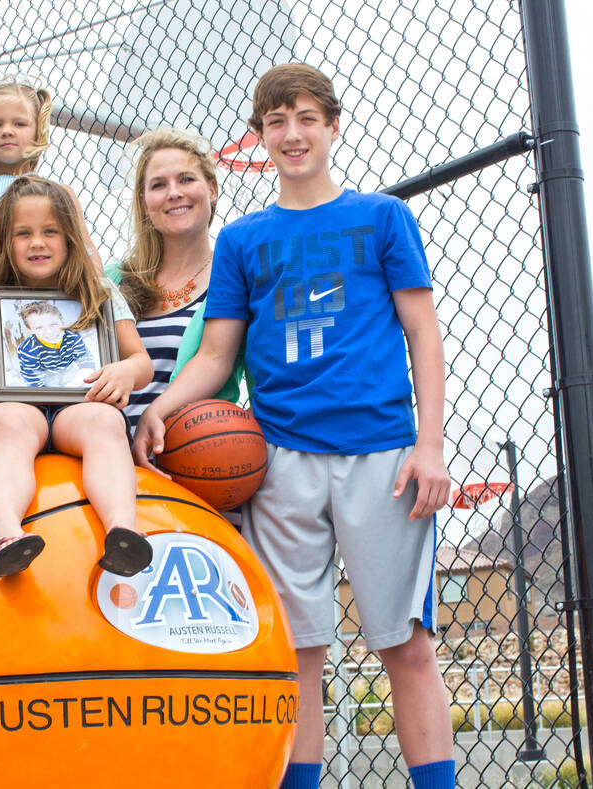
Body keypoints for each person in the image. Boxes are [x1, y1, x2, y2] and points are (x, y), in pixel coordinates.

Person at [132, 64, 455, 789]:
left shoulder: (381, 217)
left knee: (404, 644)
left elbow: (423, 333)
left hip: (383, 452)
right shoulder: (245, 240)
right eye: (276, 121)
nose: (292, 133)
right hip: (279, 458)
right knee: (298, 648)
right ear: (261, 136)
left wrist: (430, 443)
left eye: (307, 117)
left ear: (332, 126)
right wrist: (160, 407)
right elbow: (216, 352)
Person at [0, 176, 153, 578]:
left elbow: (140, 360)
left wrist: (126, 371)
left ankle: (123, 531)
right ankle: (6, 533)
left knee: (106, 421)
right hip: (15, 408)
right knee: (10, 424)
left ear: (70, 237)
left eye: (49, 232)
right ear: (5, 241)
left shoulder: (100, 291)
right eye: (23, 233)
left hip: (77, 407)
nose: (36, 242)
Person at [106, 128, 248, 433]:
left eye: (186, 179)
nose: (174, 193)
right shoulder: (113, 279)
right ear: (144, 203)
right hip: (104, 455)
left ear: (211, 190)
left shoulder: (234, 278)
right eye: (159, 185)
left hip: (189, 456)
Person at [0, 77, 102, 326]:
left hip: (45, 304)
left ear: (38, 130)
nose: (7, 130)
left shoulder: (57, 193)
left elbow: (87, 251)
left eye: (19, 123)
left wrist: (99, 290)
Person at [15, 300, 96, 387]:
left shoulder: (72, 336)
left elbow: (87, 362)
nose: (49, 332)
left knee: (87, 382)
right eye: (39, 328)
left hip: (69, 371)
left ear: (62, 322)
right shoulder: (28, 349)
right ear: (30, 330)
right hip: (46, 376)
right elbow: (32, 379)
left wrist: (70, 387)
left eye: (53, 324)